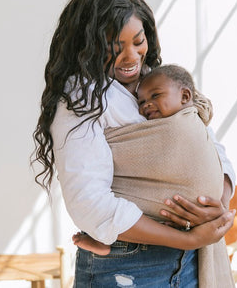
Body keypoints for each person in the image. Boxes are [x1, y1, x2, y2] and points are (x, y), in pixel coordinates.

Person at [32, 0, 236, 287]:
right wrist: (187, 238)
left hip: (192, 259)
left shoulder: (158, 83)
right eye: (115, 47)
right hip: (131, 265)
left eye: (138, 41)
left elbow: (210, 146)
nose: (131, 57)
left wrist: (216, 205)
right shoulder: (81, 99)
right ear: (88, 46)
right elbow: (90, 203)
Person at [72, 63, 217, 254]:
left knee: (115, 192)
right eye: (141, 102)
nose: (146, 104)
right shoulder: (155, 128)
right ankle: (103, 238)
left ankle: (101, 237)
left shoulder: (190, 121)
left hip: (195, 213)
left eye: (155, 96)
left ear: (185, 97)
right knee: (108, 192)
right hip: (175, 219)